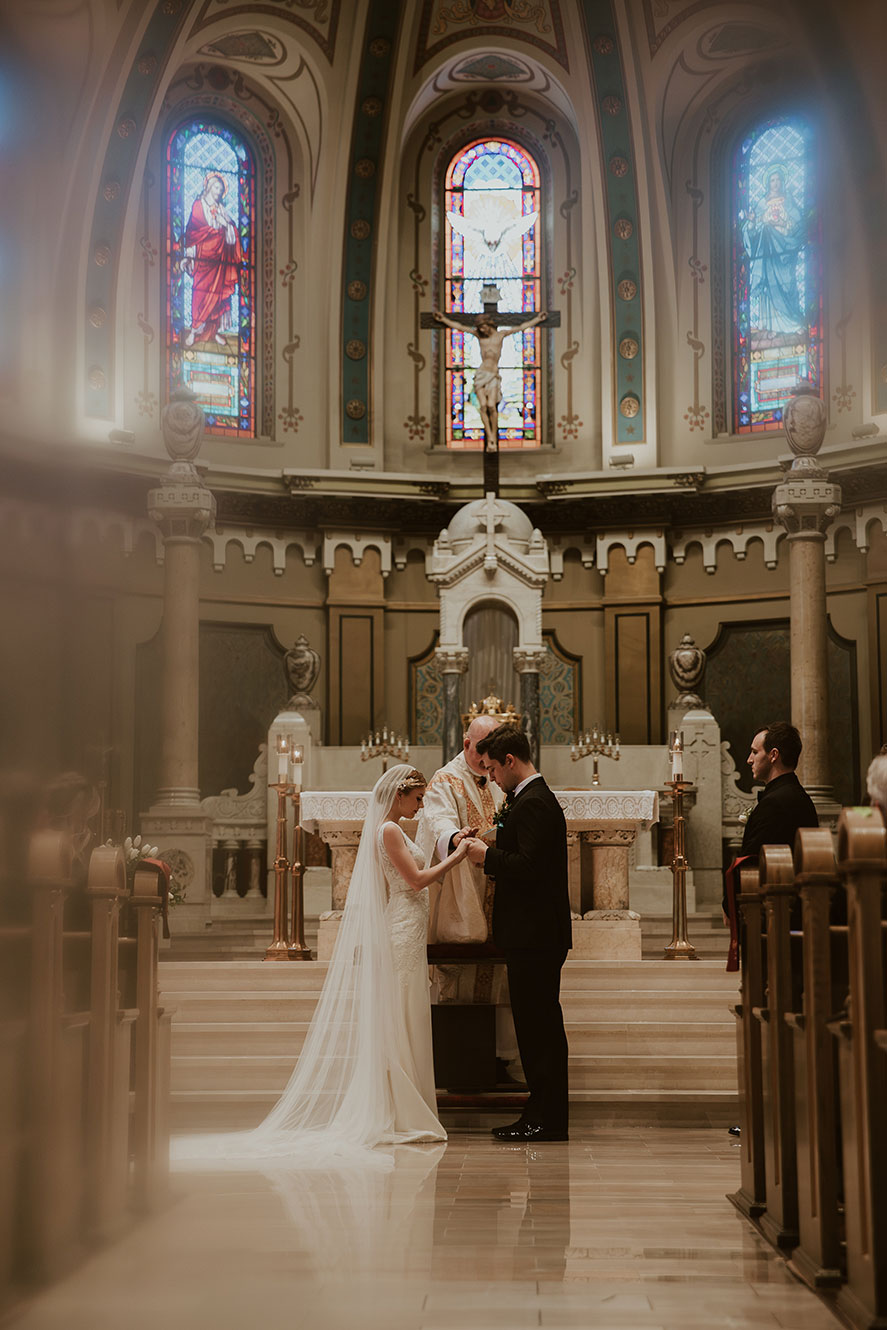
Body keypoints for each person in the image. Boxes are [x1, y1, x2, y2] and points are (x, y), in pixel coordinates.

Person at [172, 764, 470, 1166]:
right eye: (416, 799)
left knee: (406, 1012)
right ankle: (398, 1109)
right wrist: (459, 857)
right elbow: (416, 881)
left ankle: (405, 1105)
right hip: (403, 927)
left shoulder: (396, 828)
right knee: (398, 1015)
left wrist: (454, 845)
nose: (419, 806)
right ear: (399, 795)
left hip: (410, 926)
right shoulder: (388, 830)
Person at [464, 725, 571, 1141]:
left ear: (510, 761)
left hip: (536, 934)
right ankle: (541, 1113)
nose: (489, 776)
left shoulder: (535, 803)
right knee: (535, 1027)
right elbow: (526, 852)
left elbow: (529, 868)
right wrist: (490, 839)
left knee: (539, 1029)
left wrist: (485, 855)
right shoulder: (525, 800)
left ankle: (546, 1118)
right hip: (533, 933)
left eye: (491, 768)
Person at [416, 714, 521, 1081]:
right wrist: (457, 838)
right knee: (459, 975)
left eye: (490, 752)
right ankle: (459, 1061)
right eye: (480, 751)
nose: (485, 758)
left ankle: (500, 1058)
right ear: (465, 744)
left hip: (497, 886)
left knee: (501, 978)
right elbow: (436, 821)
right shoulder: (445, 779)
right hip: (463, 891)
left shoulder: (496, 777)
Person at [432, 308, 548, 451]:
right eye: (480, 328)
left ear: (489, 324)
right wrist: (443, 319)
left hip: (493, 375)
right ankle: (490, 438)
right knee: (483, 406)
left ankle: (493, 435)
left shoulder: (500, 335)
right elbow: (460, 327)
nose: (482, 330)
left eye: (484, 327)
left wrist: (538, 319)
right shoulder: (480, 337)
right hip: (481, 374)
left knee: (492, 406)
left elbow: (520, 327)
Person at [183, 172, 243, 348]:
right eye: (217, 187)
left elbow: (232, 231)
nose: (219, 191)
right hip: (203, 259)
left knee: (217, 298)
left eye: (221, 189)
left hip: (219, 261)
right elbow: (192, 232)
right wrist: (189, 255)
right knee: (200, 294)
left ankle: (213, 331)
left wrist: (225, 225)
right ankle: (194, 331)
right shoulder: (197, 206)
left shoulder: (221, 209)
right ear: (209, 187)